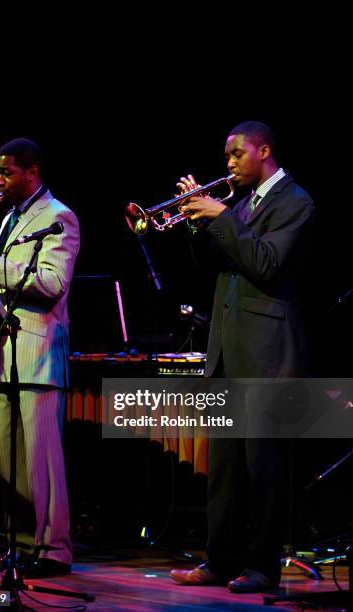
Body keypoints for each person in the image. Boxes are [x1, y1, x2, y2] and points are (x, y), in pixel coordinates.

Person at [170, 121, 315, 593]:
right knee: (225, 468)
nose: (228, 164)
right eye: (227, 156)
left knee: (264, 470)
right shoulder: (242, 205)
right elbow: (215, 266)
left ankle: (261, 567)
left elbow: (265, 263)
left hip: (269, 355)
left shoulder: (296, 201)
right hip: (228, 350)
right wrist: (199, 225)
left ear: (265, 151)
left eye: (236, 154)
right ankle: (219, 559)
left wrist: (221, 217)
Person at [0, 138, 80, 579]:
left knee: (42, 464)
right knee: (11, 463)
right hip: (3, 351)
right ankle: (21, 547)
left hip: (38, 352)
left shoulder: (59, 216)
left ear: (32, 172)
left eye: (6, 173)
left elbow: (52, 283)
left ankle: (54, 551)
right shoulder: (11, 217)